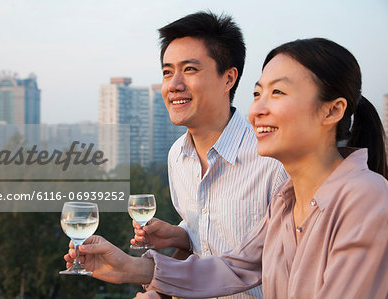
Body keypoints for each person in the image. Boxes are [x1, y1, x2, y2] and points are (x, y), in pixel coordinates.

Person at [65, 38, 388, 298]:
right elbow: (235, 268)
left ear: (332, 111)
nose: (257, 109)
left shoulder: (365, 198)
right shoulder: (286, 201)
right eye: (257, 93)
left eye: (277, 92)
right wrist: (129, 268)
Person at [131, 11, 287, 299]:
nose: (174, 84)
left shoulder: (273, 158)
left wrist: (136, 270)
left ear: (228, 78)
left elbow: (285, 259)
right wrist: (182, 236)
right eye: (167, 72)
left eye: (189, 69)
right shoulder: (177, 156)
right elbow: (206, 241)